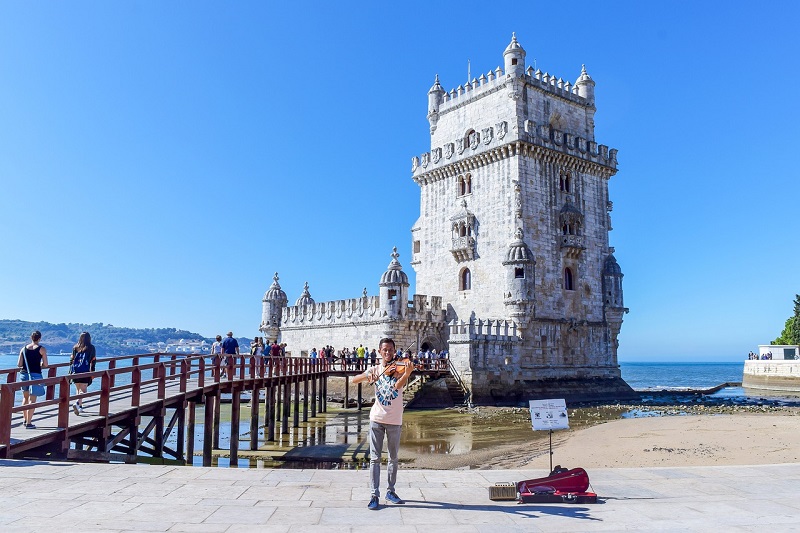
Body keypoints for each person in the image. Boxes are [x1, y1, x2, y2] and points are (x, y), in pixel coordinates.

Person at [352, 337, 413, 510]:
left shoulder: (400, 369)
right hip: (377, 419)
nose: (388, 353)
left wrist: (407, 373)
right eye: (384, 350)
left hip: (395, 420)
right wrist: (367, 376)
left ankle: (391, 491)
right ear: (379, 351)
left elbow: (398, 386)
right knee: (375, 459)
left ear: (394, 352)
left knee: (393, 458)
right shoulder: (375, 369)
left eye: (390, 350)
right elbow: (354, 380)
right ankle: (374, 495)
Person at [17, 330, 49, 429]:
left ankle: (25, 419)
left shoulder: (23, 349)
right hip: (35, 375)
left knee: (25, 398)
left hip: (24, 374)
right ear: (39, 338)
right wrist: (40, 364)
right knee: (32, 399)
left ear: (31, 338)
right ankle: (29, 423)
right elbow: (46, 364)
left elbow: (19, 364)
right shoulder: (41, 349)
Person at [70, 331, 97, 414]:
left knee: (78, 389)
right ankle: (77, 403)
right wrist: (92, 372)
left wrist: (71, 372)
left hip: (76, 371)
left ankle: (80, 407)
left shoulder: (75, 347)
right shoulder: (91, 348)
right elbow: (93, 360)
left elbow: (72, 360)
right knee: (83, 391)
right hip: (85, 371)